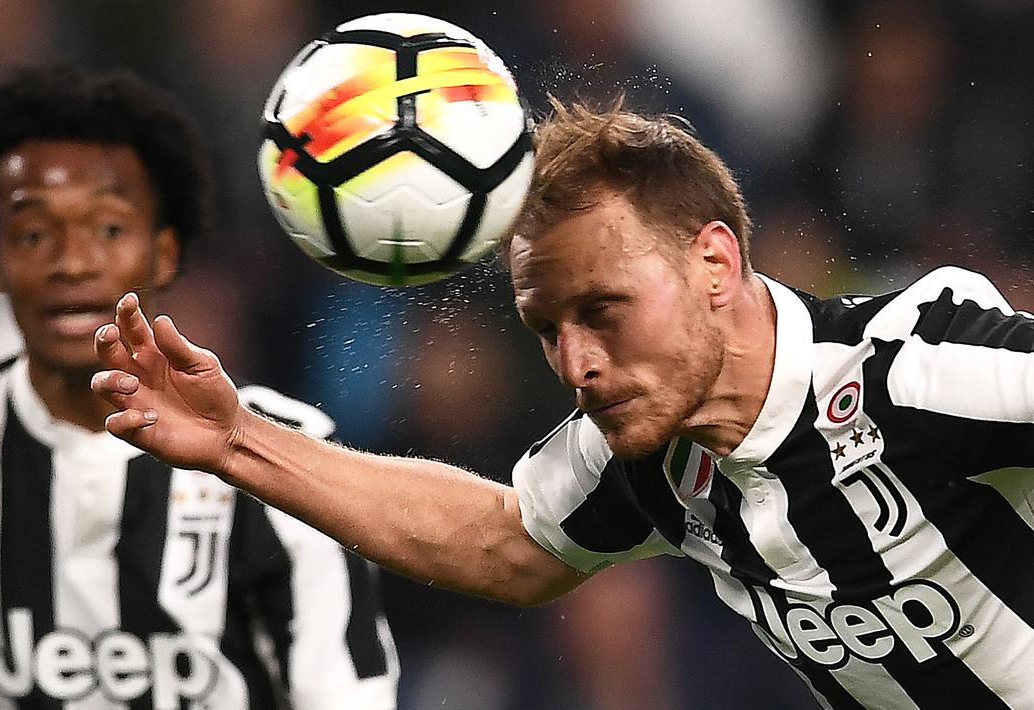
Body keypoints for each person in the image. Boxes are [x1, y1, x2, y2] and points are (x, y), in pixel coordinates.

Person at [91, 96, 1034, 709]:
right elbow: (506, 544)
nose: (575, 362)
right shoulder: (647, 450)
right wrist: (237, 442)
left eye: (603, 311)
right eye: (546, 327)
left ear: (714, 261)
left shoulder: (908, 369)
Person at [0, 64, 399, 710]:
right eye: (34, 233)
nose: (72, 262)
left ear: (165, 253)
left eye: (109, 229)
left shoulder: (289, 457)